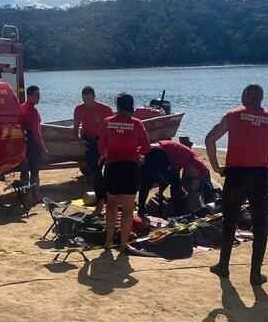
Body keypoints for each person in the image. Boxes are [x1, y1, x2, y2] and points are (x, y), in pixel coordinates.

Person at [205, 84, 268, 285]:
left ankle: (223, 266)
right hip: (259, 176)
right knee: (260, 225)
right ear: (261, 99)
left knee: (229, 221)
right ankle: (255, 274)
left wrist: (215, 166)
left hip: (235, 174)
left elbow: (210, 139)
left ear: (245, 96)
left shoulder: (233, 115)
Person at [99, 93, 150, 252]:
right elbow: (147, 146)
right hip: (130, 167)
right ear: (131, 106)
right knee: (128, 208)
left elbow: (101, 145)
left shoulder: (107, 122)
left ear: (118, 105)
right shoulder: (137, 123)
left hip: (112, 167)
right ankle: (123, 244)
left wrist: (107, 154)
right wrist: (136, 153)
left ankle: (108, 242)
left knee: (111, 205)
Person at [138, 139, 211, 218]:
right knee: (147, 181)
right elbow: (205, 170)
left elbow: (172, 176)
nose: (190, 176)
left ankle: (174, 205)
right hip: (159, 151)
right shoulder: (193, 160)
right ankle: (142, 208)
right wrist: (198, 179)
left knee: (174, 182)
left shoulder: (184, 162)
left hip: (162, 152)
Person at [73, 86, 113, 215]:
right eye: (84, 100)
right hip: (89, 142)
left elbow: (112, 131)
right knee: (95, 172)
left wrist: (106, 148)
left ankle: (106, 199)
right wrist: (79, 141)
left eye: (89, 99)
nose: (87, 102)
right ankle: (101, 199)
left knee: (106, 171)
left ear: (94, 97)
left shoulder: (105, 109)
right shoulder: (79, 109)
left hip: (103, 141)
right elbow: (75, 129)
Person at [20, 85, 47, 202]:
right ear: (29, 96)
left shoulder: (21, 107)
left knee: (24, 170)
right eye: (36, 95)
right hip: (31, 144)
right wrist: (43, 148)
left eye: (39, 95)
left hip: (23, 143)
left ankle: (24, 194)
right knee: (34, 171)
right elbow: (36, 133)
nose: (38, 98)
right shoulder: (33, 111)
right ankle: (36, 195)